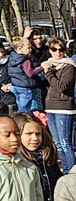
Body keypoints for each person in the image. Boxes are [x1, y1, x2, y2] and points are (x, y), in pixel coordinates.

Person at [42, 38, 76, 173]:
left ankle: (71, 172)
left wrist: (48, 73)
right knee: (57, 144)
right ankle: (65, 171)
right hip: (50, 106)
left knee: (65, 143)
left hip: (64, 107)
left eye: (61, 49)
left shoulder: (69, 66)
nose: (58, 53)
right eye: (54, 50)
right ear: (49, 51)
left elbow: (62, 86)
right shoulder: (50, 64)